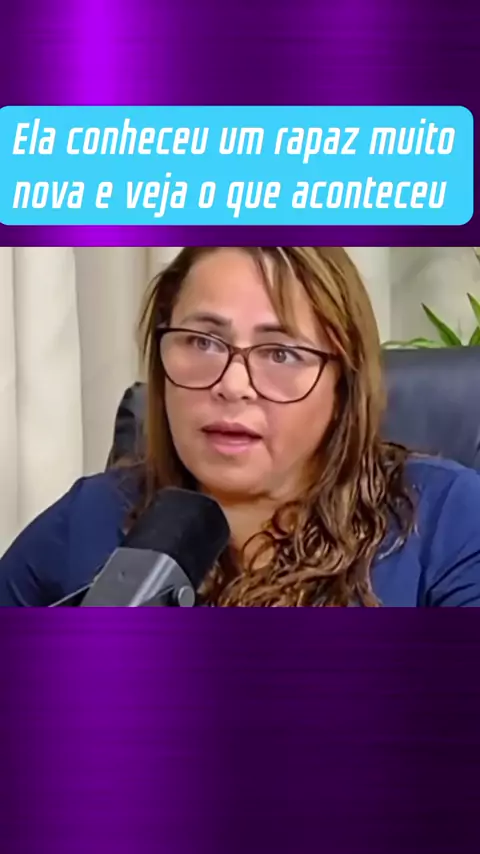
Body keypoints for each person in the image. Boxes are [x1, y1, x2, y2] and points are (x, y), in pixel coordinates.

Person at [1, 246, 480, 607]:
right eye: (202, 342)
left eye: (281, 353)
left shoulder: (449, 520)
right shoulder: (90, 517)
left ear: (344, 386)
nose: (232, 386)